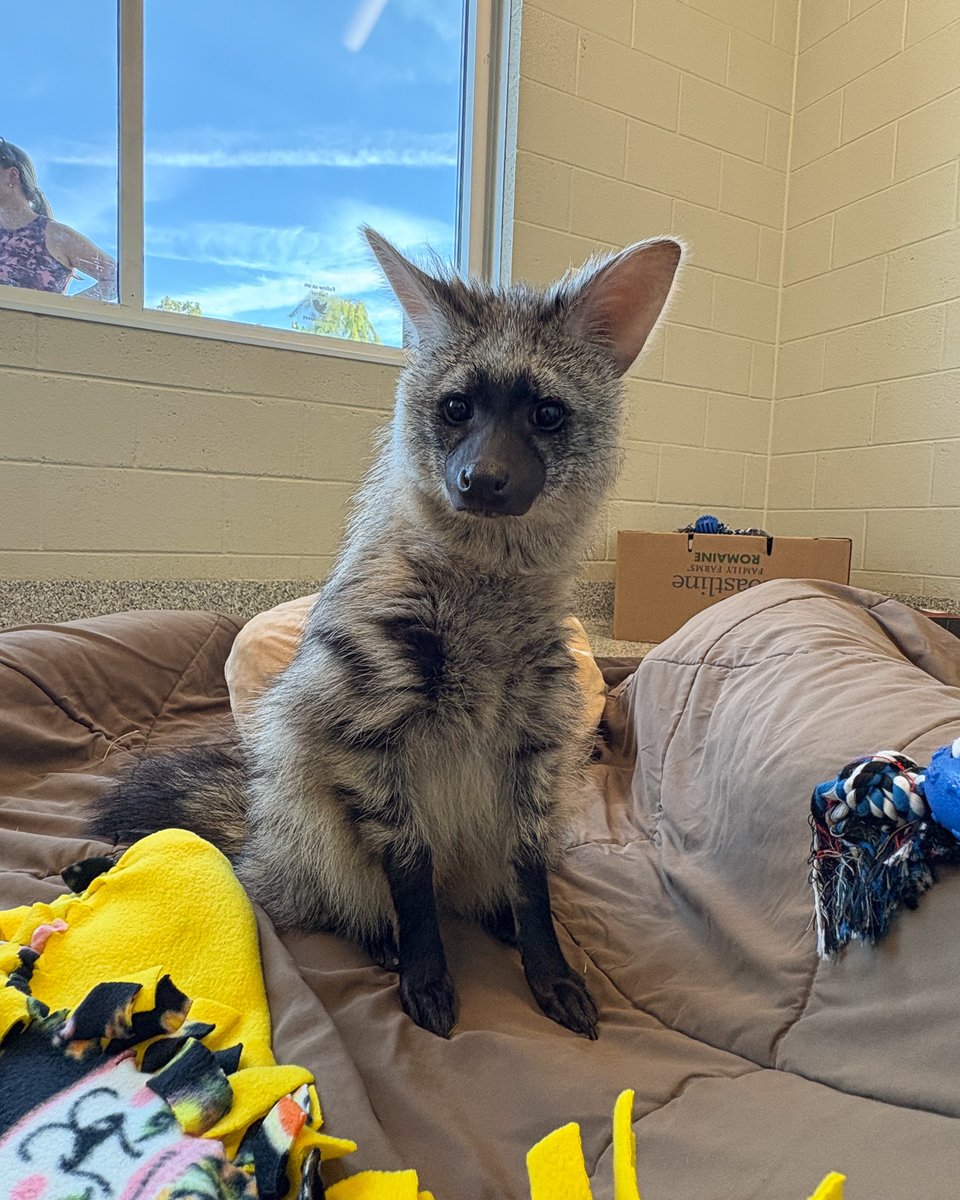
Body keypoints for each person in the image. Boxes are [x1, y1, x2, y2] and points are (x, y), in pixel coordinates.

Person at [0, 137, 117, 300]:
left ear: (13, 175)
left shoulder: (55, 235)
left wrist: (66, 311)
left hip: (35, 326)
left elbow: (116, 279)